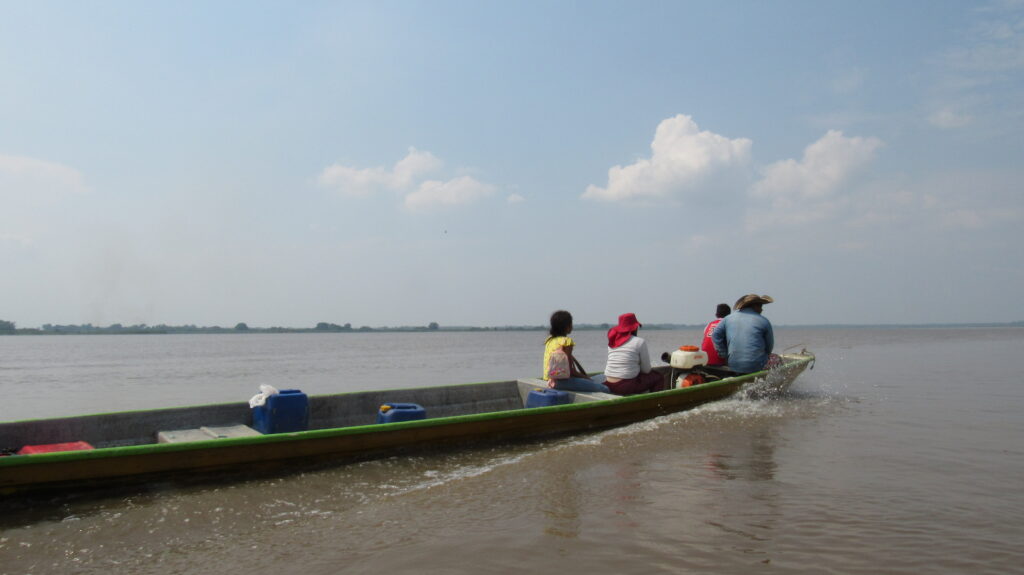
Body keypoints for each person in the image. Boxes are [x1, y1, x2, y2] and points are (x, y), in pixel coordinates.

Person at [711, 294, 780, 374]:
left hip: (733, 364)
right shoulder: (764, 321)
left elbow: (715, 335)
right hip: (756, 365)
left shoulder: (728, 318)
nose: (762, 310)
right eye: (760, 306)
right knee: (777, 359)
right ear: (754, 306)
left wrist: (723, 354)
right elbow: (769, 348)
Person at [543, 310, 610, 393]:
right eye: (571, 323)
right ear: (567, 326)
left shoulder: (549, 341)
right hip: (561, 382)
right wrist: (587, 378)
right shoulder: (567, 341)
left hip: (549, 380)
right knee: (605, 389)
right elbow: (570, 372)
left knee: (601, 377)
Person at [602, 313, 666, 395]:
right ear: (634, 328)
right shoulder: (639, 341)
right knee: (658, 377)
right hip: (625, 386)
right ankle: (654, 404)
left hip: (608, 383)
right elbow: (646, 370)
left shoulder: (612, 342)